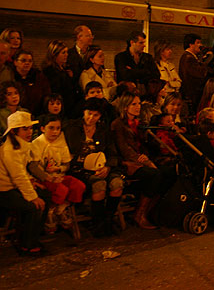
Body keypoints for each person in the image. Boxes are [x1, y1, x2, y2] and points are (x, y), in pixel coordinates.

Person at [111, 93, 173, 229]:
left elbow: (145, 144)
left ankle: (150, 210)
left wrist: (147, 156)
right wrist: (145, 161)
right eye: (134, 104)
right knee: (154, 174)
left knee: (169, 173)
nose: (138, 107)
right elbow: (124, 149)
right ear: (125, 106)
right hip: (128, 163)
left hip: (143, 159)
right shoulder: (118, 125)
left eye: (139, 104)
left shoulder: (140, 124)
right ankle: (139, 214)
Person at [65, 98, 123, 237]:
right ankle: (98, 223)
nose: (91, 118)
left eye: (95, 115)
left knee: (117, 184)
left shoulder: (103, 130)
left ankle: (108, 219)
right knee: (99, 185)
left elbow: (112, 152)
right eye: (89, 113)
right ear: (84, 112)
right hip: (80, 169)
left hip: (102, 166)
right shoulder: (72, 128)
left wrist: (108, 167)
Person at [0, 111, 48, 255]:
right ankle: (27, 245)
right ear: (15, 131)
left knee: (45, 195)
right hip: (4, 190)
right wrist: (32, 197)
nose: (29, 132)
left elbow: (22, 172)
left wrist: (33, 183)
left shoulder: (21, 145)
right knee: (33, 206)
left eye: (30, 128)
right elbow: (18, 176)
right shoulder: (10, 149)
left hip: (13, 186)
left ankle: (34, 235)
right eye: (25, 129)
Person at [29, 114, 85, 233]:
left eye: (58, 128)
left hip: (58, 175)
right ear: (43, 128)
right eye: (51, 128)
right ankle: (50, 211)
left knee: (78, 186)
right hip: (43, 178)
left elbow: (66, 164)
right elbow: (33, 167)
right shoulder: (37, 143)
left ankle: (61, 208)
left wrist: (58, 169)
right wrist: (48, 176)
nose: (55, 132)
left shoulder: (61, 141)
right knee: (61, 189)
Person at [42, 40, 78, 115]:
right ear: (55, 54)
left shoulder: (65, 69)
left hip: (69, 105)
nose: (66, 55)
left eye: (67, 52)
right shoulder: (50, 71)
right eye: (63, 53)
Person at [12, 50, 51, 116]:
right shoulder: (11, 76)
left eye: (30, 61)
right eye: (23, 60)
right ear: (15, 62)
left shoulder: (38, 77)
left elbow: (46, 94)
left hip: (37, 113)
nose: (27, 63)